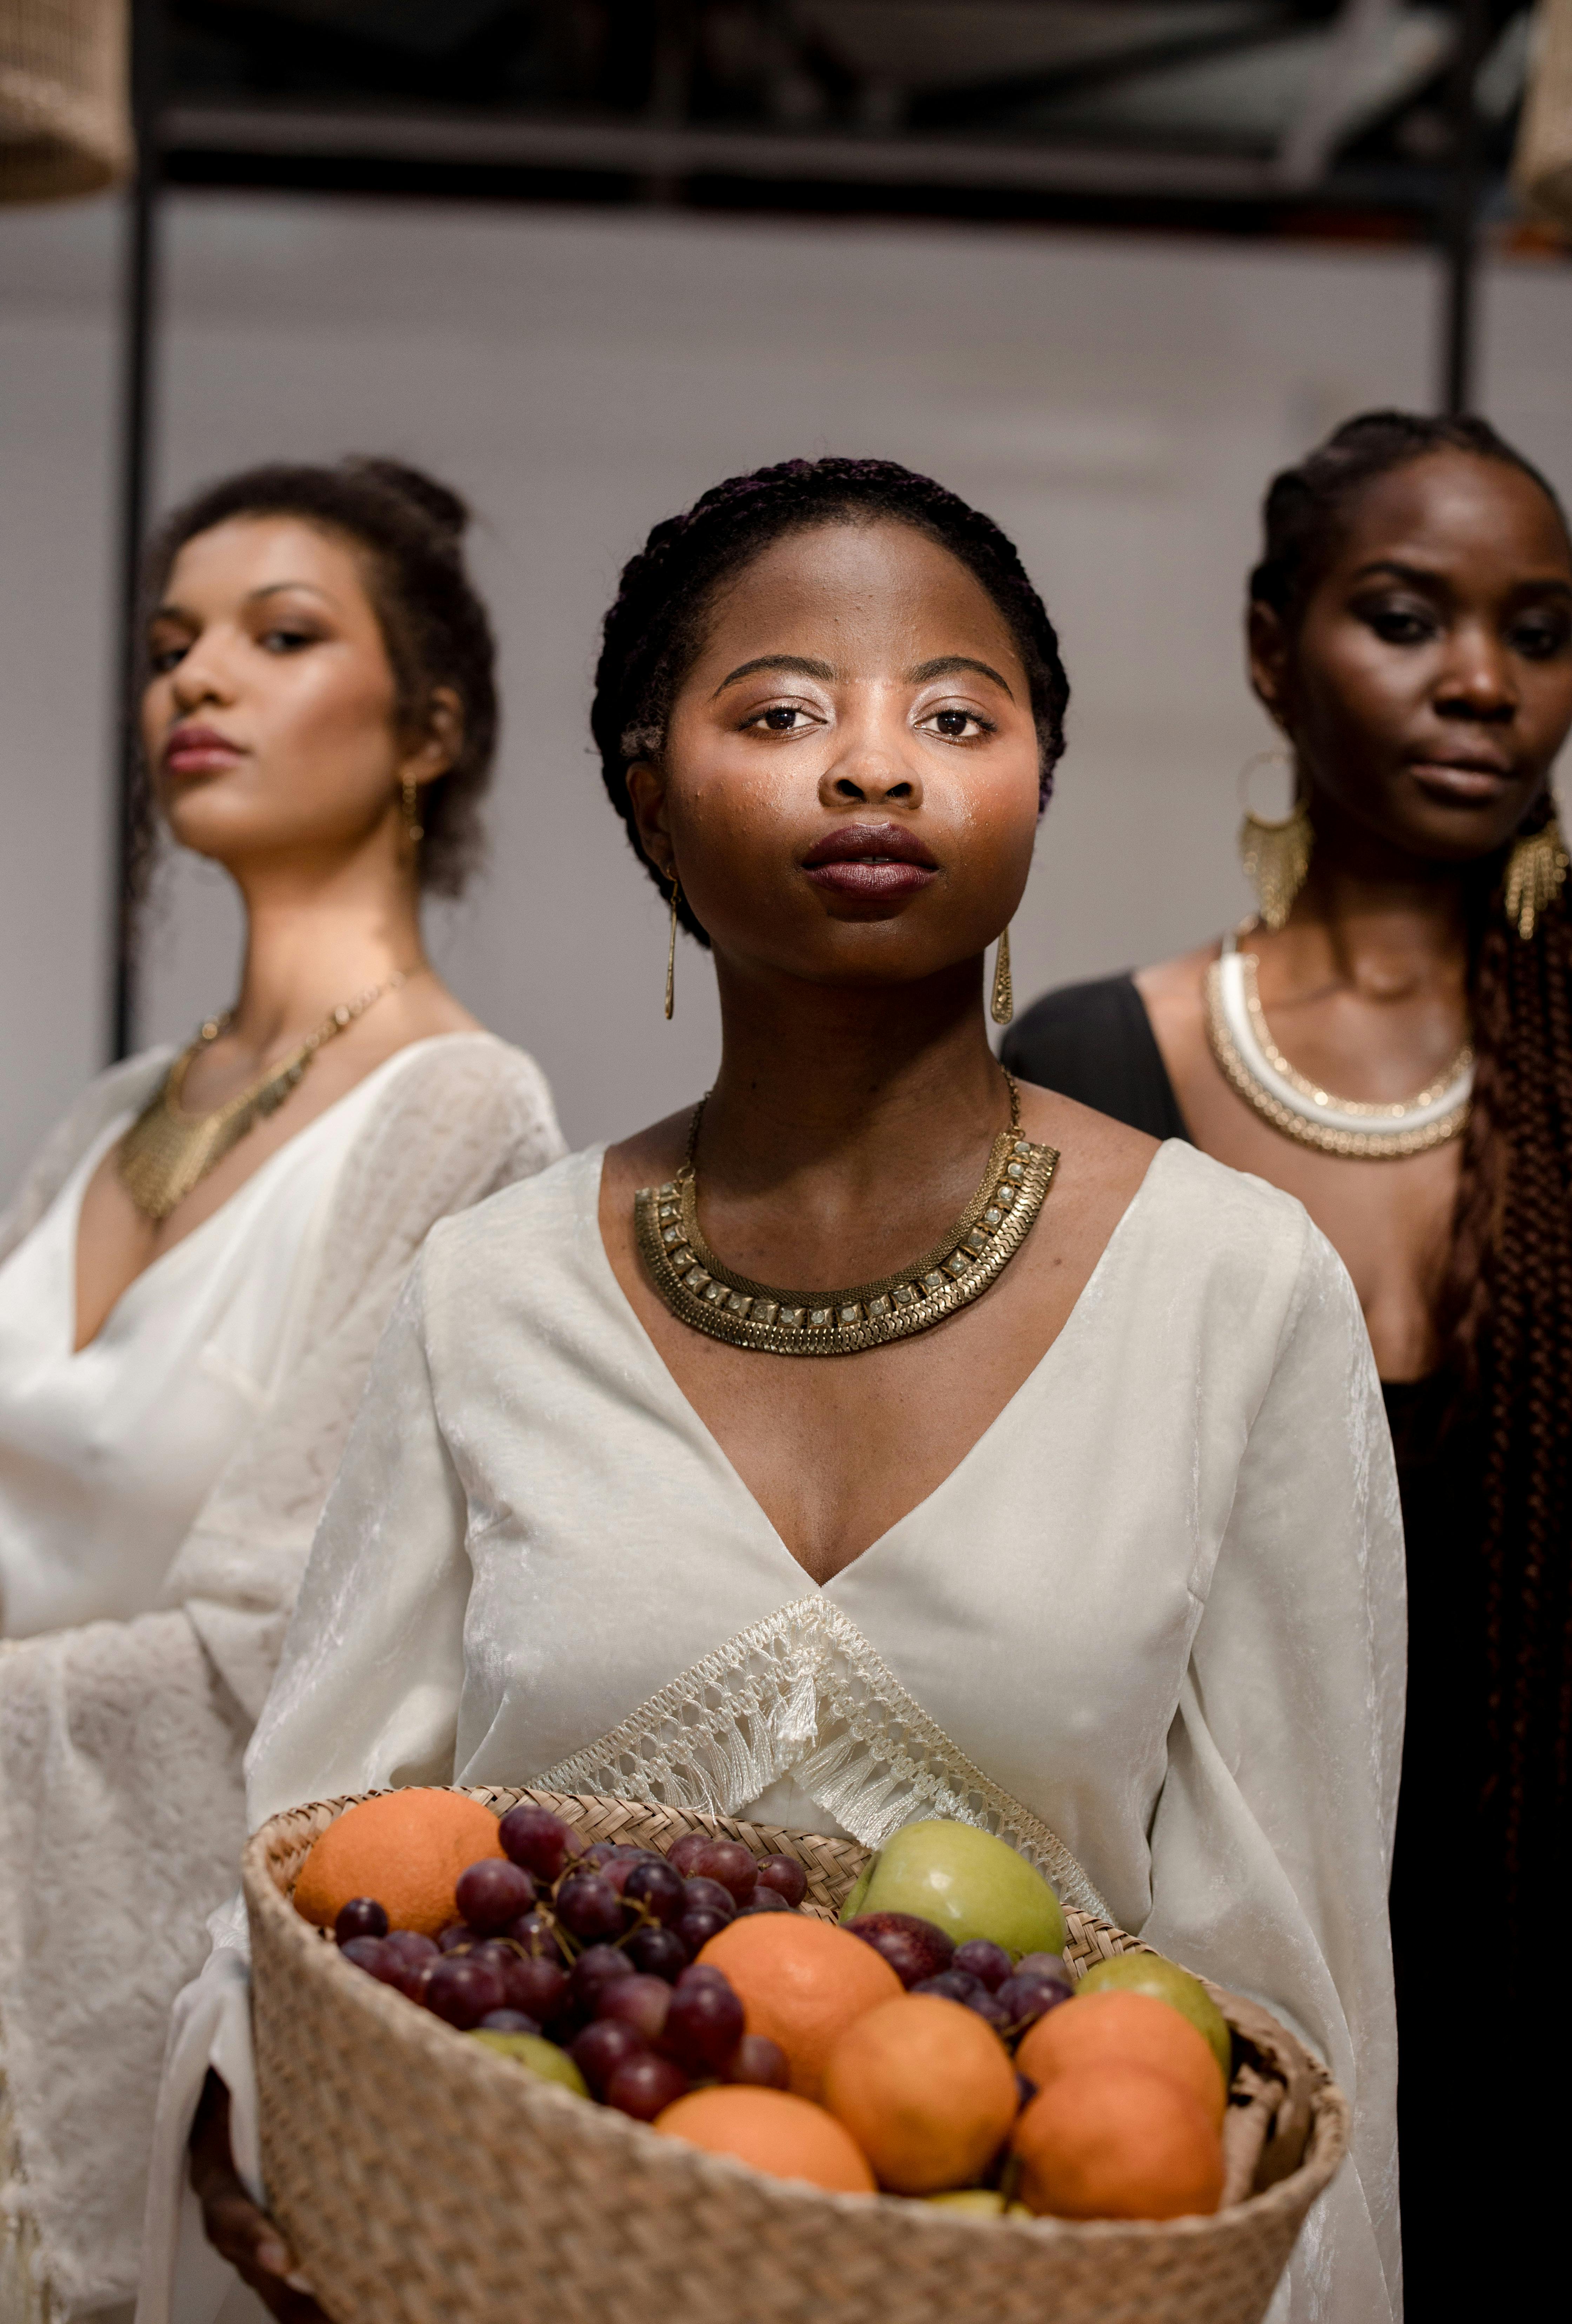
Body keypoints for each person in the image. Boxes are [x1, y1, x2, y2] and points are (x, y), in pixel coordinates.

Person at [158, 457, 1402, 2324]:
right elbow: (330, 1885)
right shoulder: (487, 1295)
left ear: (1036, 783)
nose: (877, 766)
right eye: (785, 713)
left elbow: (1292, 2016)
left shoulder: (1239, 1295)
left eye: (958, 717)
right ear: (650, 794)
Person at [1004, 409, 1572, 2306]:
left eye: (1542, 632)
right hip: (1201, 1999)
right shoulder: (1088, 1072)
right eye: (1407, 617)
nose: (1483, 682)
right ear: (1272, 648)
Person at [0, 458, 565, 2323]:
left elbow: (286, 1651)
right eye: (172, 647)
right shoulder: (110, 1114)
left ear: (430, 728)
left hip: (166, 2020)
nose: (198, 682)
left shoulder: (464, 1118)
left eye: (280, 636)